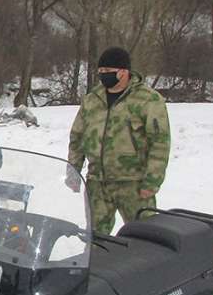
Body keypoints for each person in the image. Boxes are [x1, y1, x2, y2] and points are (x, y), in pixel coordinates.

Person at [67, 47, 171, 235]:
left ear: (123, 72)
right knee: (96, 238)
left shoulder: (148, 100)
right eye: (100, 73)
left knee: (144, 237)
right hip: (97, 182)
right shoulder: (92, 100)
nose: (103, 76)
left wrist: (152, 181)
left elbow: (160, 143)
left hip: (134, 184)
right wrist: (73, 171)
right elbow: (77, 137)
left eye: (108, 72)